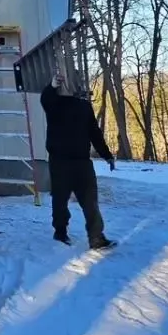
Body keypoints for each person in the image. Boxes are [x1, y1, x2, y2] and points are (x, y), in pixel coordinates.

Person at [41, 69, 116, 249]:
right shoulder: (55, 103)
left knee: (90, 200)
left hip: (82, 161)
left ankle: (96, 236)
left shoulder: (84, 106)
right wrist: (52, 86)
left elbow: (94, 133)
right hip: (60, 161)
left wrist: (106, 155)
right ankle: (60, 232)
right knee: (60, 199)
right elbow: (45, 99)